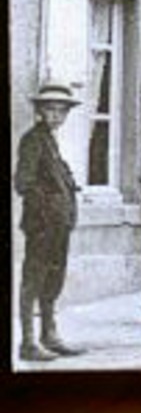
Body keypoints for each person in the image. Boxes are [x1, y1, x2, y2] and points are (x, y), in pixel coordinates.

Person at [14, 83, 87, 361]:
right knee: (34, 279)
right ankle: (29, 341)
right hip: (43, 224)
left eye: (62, 111)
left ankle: (49, 333)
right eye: (50, 110)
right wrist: (47, 210)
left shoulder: (50, 140)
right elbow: (23, 182)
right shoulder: (33, 140)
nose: (56, 116)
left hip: (59, 223)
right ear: (39, 111)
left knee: (53, 279)